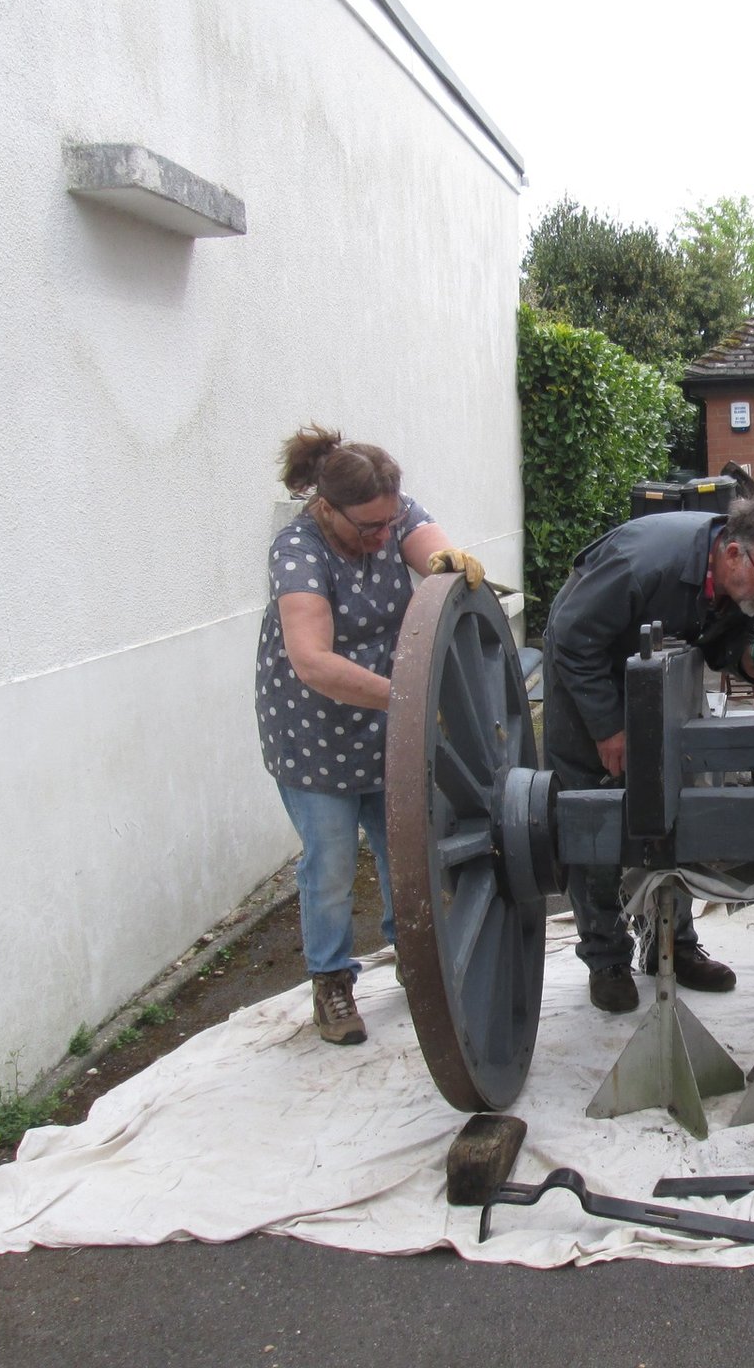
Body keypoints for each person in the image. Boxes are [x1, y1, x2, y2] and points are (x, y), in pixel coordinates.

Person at [256, 425, 483, 1045]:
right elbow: (313, 662)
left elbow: (431, 547)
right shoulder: (297, 550)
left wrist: (445, 563)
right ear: (327, 508)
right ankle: (331, 981)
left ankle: (414, 956)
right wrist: (408, 697)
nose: (383, 537)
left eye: (390, 523)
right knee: (330, 861)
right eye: (369, 528)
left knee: (404, 847)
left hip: (389, 718)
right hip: (314, 728)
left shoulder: (389, 514)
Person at [544, 495, 754, 1012]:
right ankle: (606, 958)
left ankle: (671, 944)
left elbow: (721, 634)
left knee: (673, 801)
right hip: (587, 672)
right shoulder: (644, 564)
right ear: (732, 554)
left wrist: (753, 660)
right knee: (591, 814)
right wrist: (607, 727)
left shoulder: (730, 573)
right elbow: (572, 638)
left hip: (652, 677)